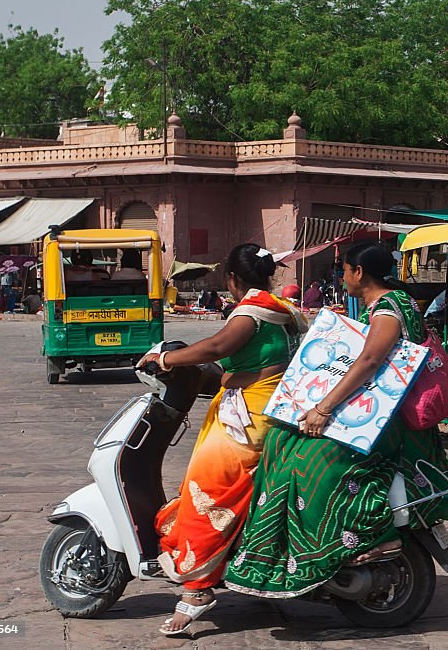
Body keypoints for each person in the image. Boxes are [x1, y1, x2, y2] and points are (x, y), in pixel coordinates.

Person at [225, 241, 448, 598]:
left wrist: (324, 408)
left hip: (383, 424)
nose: (343, 277)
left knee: (308, 463)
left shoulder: (387, 310)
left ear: (359, 273)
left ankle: (370, 538)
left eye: (346, 271)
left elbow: (368, 361)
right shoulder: (391, 302)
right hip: (375, 412)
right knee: (280, 439)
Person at [136, 244, 307, 635]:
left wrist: (164, 360)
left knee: (206, 489)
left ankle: (197, 589)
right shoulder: (284, 309)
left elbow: (216, 347)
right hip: (274, 405)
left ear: (231, 279)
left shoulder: (249, 313)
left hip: (252, 416)